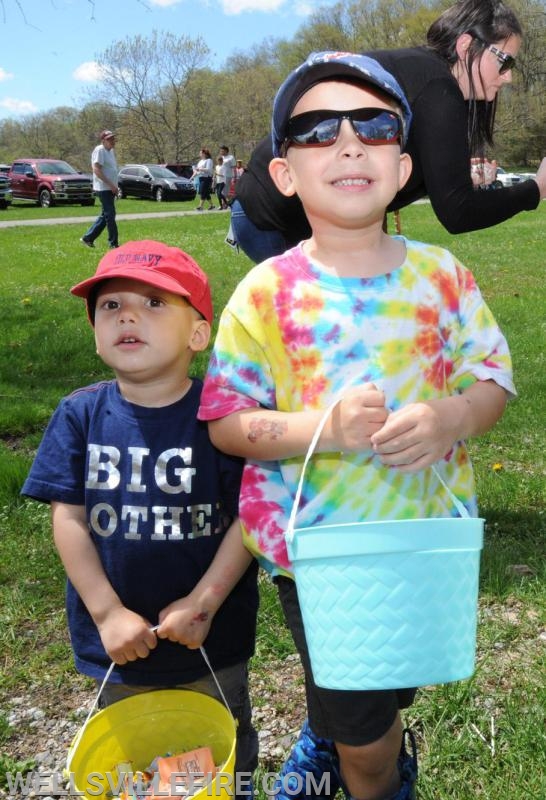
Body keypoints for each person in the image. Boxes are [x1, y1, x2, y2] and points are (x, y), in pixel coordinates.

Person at [198, 51, 515, 800]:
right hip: (319, 556)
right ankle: (370, 768)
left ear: (403, 168)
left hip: (424, 538)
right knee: (365, 736)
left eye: (373, 126)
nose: (348, 143)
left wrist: (455, 414)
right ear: (284, 174)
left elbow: (494, 376)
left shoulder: (443, 277)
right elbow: (226, 423)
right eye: (316, 130)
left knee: (392, 686)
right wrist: (325, 432)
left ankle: (344, 727)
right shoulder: (264, 291)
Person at [22, 240, 259, 793]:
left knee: (210, 756)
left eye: (154, 303)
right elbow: (70, 519)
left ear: (198, 334)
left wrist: (204, 603)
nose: (127, 313)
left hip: (208, 638)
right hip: (118, 642)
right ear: (97, 333)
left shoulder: (220, 422)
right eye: (110, 305)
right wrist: (106, 614)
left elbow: (249, 518)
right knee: (139, 756)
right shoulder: (80, 414)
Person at [230, 0, 546, 262]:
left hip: (311, 219)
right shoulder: (438, 88)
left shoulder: (423, 77)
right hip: (274, 216)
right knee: (320, 330)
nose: (508, 78)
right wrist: (537, 189)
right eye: (505, 63)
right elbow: (458, 212)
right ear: (466, 45)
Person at [81, 130, 119, 250]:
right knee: (110, 215)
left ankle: (88, 238)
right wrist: (110, 185)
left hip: (110, 188)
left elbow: (111, 169)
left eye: (113, 138)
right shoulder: (100, 150)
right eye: (109, 139)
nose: (112, 141)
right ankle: (113, 243)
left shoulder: (111, 151)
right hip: (103, 188)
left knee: (105, 215)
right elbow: (96, 170)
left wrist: (114, 186)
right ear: (103, 141)